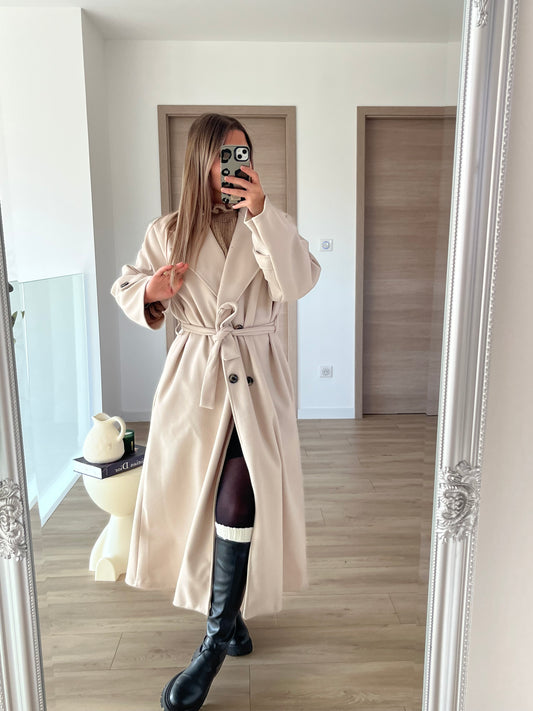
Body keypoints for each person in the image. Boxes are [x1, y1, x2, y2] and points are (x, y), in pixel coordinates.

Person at [111, 113, 321, 711]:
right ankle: (232, 621)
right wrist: (153, 292)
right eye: (225, 155)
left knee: (240, 494)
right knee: (203, 503)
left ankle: (211, 647)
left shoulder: (270, 222)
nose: (236, 166)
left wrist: (261, 212)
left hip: (256, 377)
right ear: (200, 161)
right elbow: (127, 286)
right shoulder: (169, 230)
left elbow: (297, 283)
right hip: (196, 379)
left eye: (243, 154)